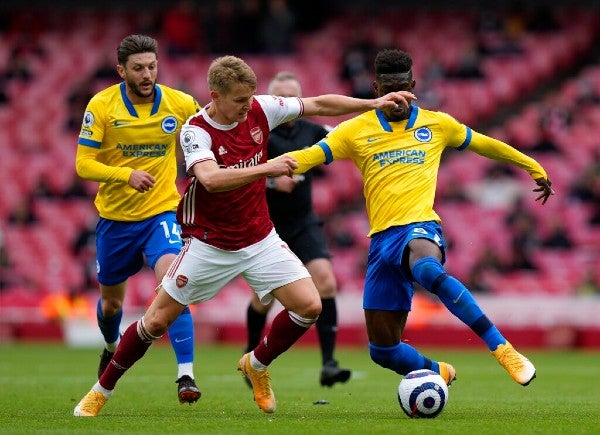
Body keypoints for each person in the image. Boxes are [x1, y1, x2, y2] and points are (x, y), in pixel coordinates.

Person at [73, 55, 415, 417]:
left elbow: (316, 103)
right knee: (155, 322)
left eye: (250, 98)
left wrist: (372, 103)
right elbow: (210, 179)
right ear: (215, 96)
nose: (247, 106)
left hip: (259, 237)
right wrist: (268, 167)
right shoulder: (195, 130)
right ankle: (101, 390)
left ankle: (257, 364)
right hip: (209, 243)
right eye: (239, 101)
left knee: (310, 306)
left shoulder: (259, 108)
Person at [280, 49, 554, 389]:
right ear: (376, 89)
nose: (396, 97)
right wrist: (253, 171)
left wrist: (533, 166)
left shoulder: (437, 124)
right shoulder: (354, 130)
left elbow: (486, 144)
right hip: (381, 242)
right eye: (388, 89)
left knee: (426, 269)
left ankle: (502, 348)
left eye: (402, 87)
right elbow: (308, 157)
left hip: (420, 226)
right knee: (383, 350)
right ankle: (438, 371)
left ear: (412, 84)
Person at [74, 34, 201, 405]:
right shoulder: (101, 105)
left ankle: (186, 375)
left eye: (152, 66)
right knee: (111, 303)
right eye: (138, 68)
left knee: (173, 281)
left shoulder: (179, 103)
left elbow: (206, 131)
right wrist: (124, 175)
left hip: (161, 212)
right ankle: (111, 344)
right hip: (114, 219)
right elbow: (83, 163)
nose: (147, 74)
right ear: (121, 70)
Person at [243, 71, 351, 388]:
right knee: (263, 299)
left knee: (326, 282)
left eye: (293, 97)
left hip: (303, 221)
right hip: (265, 224)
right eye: (281, 97)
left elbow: (345, 137)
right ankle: (251, 355)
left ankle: (329, 363)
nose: (287, 103)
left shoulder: (314, 130)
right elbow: (234, 173)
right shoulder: (255, 132)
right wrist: (272, 181)